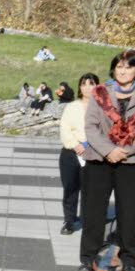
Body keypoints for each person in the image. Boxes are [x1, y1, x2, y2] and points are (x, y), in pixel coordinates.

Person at [80, 50, 135, 271]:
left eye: (129, 67)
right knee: (94, 211)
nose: (123, 71)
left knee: (130, 213)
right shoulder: (100, 93)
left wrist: (124, 152)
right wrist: (109, 150)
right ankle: (88, 257)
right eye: (119, 67)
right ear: (113, 69)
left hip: (130, 162)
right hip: (99, 160)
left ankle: (130, 259)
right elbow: (91, 127)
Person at [59, 73, 99, 235]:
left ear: (98, 86)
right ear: (80, 87)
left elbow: (104, 130)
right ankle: (69, 221)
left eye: (91, 84)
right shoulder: (71, 107)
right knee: (70, 188)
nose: (87, 87)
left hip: (93, 153)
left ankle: (89, 222)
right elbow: (64, 128)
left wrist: (88, 144)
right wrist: (75, 145)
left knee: (90, 190)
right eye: (84, 84)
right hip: (70, 153)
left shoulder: (102, 107)